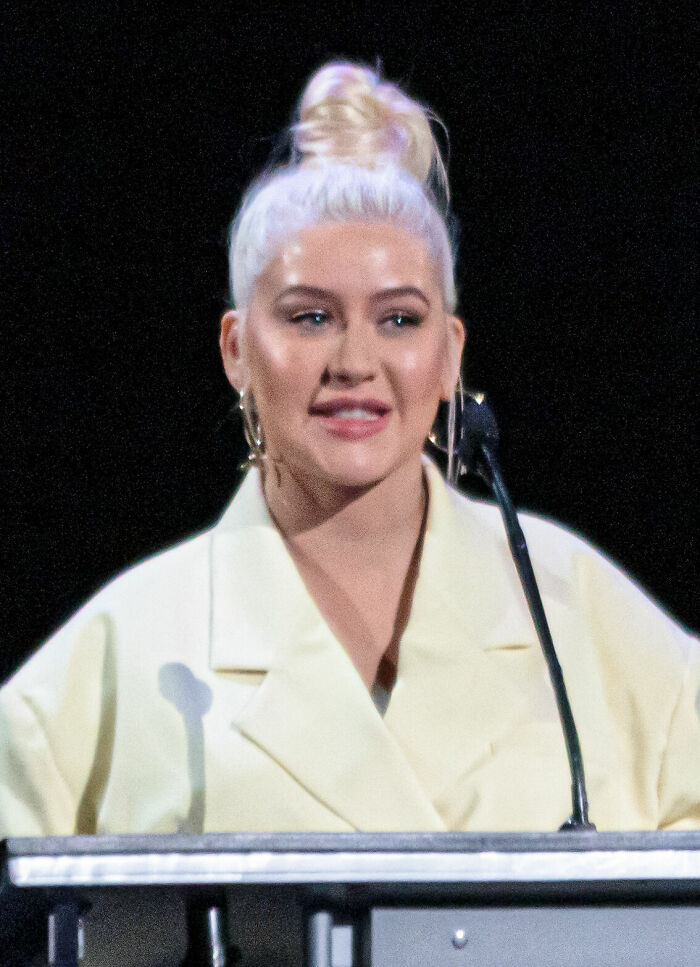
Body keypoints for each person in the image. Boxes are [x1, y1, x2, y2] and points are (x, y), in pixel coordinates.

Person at [1, 62, 698, 838]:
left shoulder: (579, 611)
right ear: (236, 349)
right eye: (309, 318)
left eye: (399, 320)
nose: (355, 363)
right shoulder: (127, 646)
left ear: (450, 353)